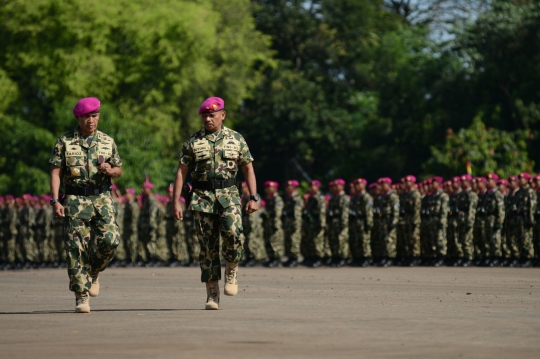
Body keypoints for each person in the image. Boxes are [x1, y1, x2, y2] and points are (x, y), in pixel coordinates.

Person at [172, 97, 259, 310]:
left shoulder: (236, 139)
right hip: (202, 197)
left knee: (234, 233)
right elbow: (182, 172)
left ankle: (231, 268)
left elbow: (248, 168)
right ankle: (212, 293)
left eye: (212, 115)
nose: (208, 119)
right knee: (208, 247)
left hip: (229, 195)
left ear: (223, 115)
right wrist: (176, 202)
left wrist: (253, 196)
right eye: (205, 116)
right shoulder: (193, 142)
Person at [49, 97, 122, 313]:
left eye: (94, 116)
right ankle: (81, 295)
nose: (91, 120)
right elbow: (55, 172)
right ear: (78, 118)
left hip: (102, 199)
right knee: (76, 248)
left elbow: (119, 169)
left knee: (111, 240)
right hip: (75, 200)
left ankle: (94, 271)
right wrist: (55, 200)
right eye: (86, 117)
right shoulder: (65, 141)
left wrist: (111, 170)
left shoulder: (107, 141)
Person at [372, 178, 399, 267]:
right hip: (382, 221)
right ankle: (384, 257)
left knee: (390, 240)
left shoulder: (392, 196)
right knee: (383, 240)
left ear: (388, 185)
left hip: (389, 221)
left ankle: (390, 258)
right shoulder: (382, 196)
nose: (381, 186)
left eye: (384, 184)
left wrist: (393, 222)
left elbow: (395, 211)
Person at [300, 180, 326, 267]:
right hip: (311, 224)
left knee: (317, 241)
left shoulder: (320, 198)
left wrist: (322, 224)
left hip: (317, 223)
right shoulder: (311, 198)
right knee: (311, 241)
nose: (310, 188)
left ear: (317, 187)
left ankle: (318, 258)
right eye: (310, 186)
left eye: (313, 186)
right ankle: (312, 257)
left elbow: (321, 212)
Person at [348, 178, 373, 267]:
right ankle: (358, 258)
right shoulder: (356, 197)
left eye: (359, 184)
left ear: (364, 185)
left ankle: (366, 258)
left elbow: (368, 212)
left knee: (364, 240)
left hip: (363, 222)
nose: (357, 186)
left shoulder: (366, 196)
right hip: (356, 222)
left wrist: (368, 223)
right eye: (356, 185)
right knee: (357, 241)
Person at [239, 181, 265, 267]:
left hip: (253, 223)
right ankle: (249, 257)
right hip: (246, 222)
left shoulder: (254, 197)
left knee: (253, 240)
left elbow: (256, 211)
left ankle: (255, 258)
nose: (243, 189)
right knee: (247, 240)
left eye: (244, 187)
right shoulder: (242, 197)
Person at [326, 179, 350, 267]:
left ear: (342, 186)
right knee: (334, 241)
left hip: (340, 223)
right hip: (334, 223)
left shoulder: (344, 198)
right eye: (334, 186)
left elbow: (344, 212)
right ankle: (335, 257)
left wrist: (343, 224)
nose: (334, 187)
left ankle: (342, 258)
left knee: (342, 241)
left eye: (337, 186)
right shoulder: (334, 198)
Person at [399, 176, 422, 266]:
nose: (405, 183)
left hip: (413, 220)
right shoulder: (407, 194)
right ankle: (410, 257)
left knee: (414, 239)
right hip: (408, 219)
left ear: (412, 183)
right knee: (409, 239)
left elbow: (416, 209)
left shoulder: (415, 194)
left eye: (407, 182)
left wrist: (415, 222)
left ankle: (415, 257)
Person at [515, 172, 536, 267]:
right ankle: (522, 257)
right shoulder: (519, 192)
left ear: (527, 180)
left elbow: (532, 207)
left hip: (526, 218)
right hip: (519, 219)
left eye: (521, 179)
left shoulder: (530, 192)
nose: (519, 181)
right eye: (519, 179)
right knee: (521, 238)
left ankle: (529, 257)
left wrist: (531, 220)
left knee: (527, 238)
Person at [261, 181, 284, 267]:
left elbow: (277, 213)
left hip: (275, 224)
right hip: (268, 223)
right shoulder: (268, 199)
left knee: (275, 241)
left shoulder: (277, 199)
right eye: (266, 188)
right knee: (269, 241)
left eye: (269, 187)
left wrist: (276, 224)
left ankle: (276, 259)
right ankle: (271, 258)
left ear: (275, 188)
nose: (267, 189)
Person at [457, 175, 478, 267]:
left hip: (467, 220)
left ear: (469, 182)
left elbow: (471, 210)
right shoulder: (462, 194)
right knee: (462, 239)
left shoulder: (472, 195)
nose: (461, 183)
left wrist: (469, 221)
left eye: (464, 181)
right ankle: (465, 257)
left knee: (467, 239)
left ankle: (469, 258)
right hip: (462, 220)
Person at [282, 180, 303, 267]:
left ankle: (295, 258)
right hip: (289, 223)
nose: (287, 188)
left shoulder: (297, 198)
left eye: (289, 186)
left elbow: (297, 213)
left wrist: (296, 224)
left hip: (294, 223)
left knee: (294, 240)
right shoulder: (289, 197)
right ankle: (290, 257)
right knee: (289, 240)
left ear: (294, 188)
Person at [123, 188, 140, 266]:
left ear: (131, 195)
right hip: (128, 227)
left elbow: (135, 218)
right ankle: (129, 259)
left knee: (133, 243)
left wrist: (133, 228)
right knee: (129, 243)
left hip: (133, 228)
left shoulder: (133, 205)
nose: (126, 196)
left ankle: (134, 260)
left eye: (127, 194)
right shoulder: (128, 204)